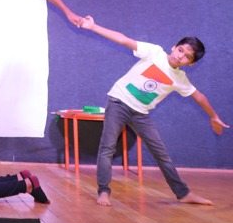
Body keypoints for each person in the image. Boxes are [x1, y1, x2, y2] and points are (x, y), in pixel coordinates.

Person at [80, 15, 229, 207]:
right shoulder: (155, 52)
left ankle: (183, 193)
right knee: (108, 147)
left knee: (161, 154)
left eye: (187, 57)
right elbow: (124, 39)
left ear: (190, 64)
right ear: (174, 47)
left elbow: (199, 96)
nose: (180, 56)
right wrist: (93, 27)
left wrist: (214, 116)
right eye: (180, 50)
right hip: (119, 102)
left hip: (140, 113)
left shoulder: (180, 79)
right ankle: (103, 191)